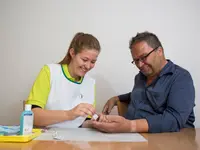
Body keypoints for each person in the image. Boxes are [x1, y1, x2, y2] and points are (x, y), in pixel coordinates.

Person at [92, 31, 195, 133]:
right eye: (136, 60)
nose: (140, 65)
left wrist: (130, 126)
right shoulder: (140, 77)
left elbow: (174, 120)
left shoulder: (181, 78)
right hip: (132, 137)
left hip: (167, 140)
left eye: (144, 57)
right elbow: (140, 94)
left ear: (159, 51)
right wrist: (116, 98)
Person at [26, 32, 101, 128]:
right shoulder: (50, 72)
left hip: (77, 140)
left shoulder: (90, 82)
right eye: (84, 60)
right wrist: (69, 114)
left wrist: (96, 122)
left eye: (93, 62)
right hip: (47, 138)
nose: (88, 66)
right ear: (72, 53)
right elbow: (32, 116)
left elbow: (83, 123)